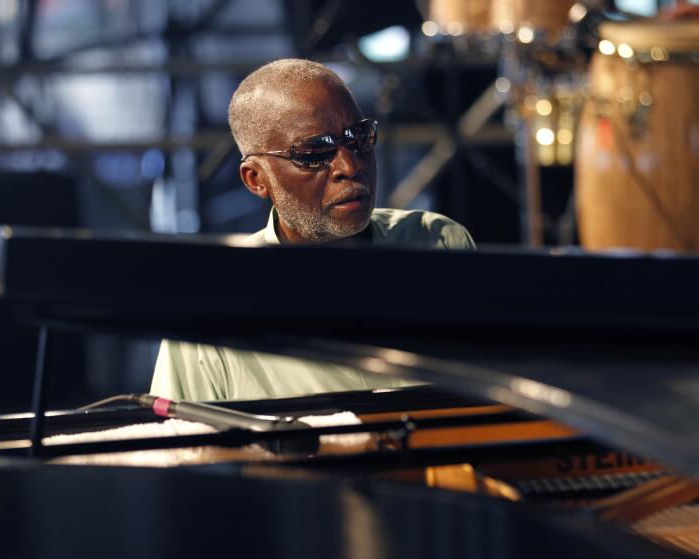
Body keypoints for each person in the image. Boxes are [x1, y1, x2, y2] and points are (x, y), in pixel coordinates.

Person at [151, 59, 475, 402]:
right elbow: (182, 449)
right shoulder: (207, 310)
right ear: (256, 179)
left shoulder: (439, 245)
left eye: (359, 137)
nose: (350, 166)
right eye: (314, 153)